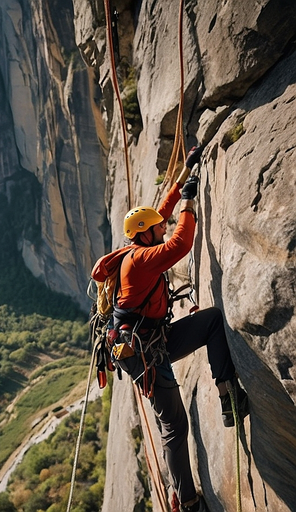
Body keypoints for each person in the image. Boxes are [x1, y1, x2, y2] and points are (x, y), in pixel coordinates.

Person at [112, 146, 249, 512]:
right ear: (144, 235)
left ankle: (227, 397)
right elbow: (181, 243)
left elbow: (161, 213)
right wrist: (190, 202)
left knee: (211, 322)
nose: (163, 226)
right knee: (174, 425)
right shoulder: (139, 261)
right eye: (157, 228)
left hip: (154, 341)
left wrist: (183, 179)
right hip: (144, 355)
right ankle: (188, 503)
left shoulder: (138, 246)